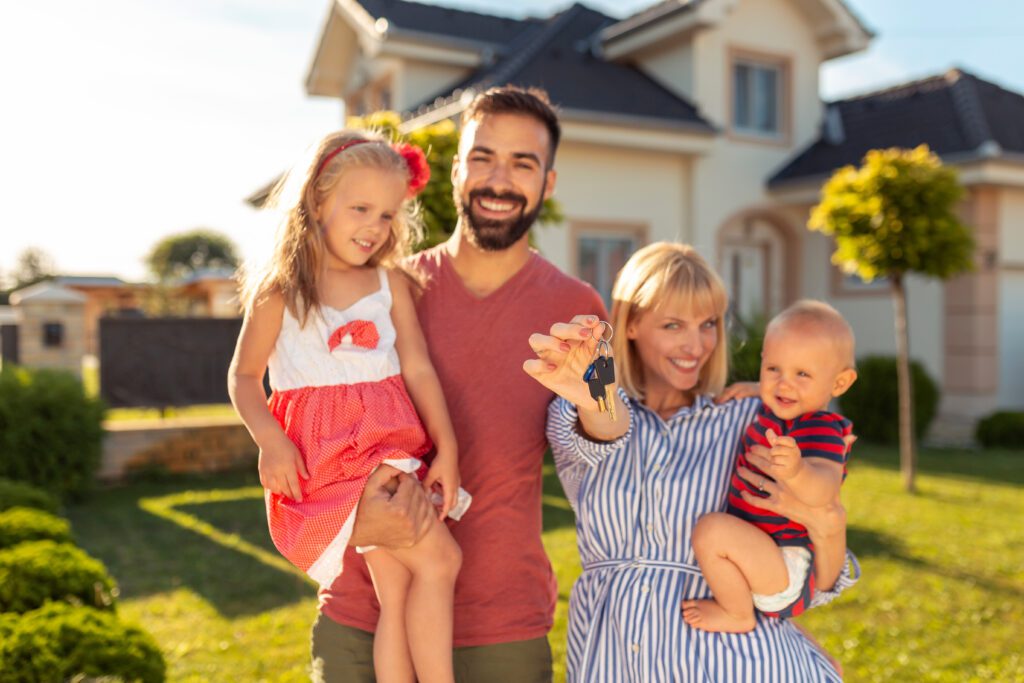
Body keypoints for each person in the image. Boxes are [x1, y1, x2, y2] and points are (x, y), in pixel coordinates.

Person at [310, 87, 607, 682]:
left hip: (501, 628)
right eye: (483, 157)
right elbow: (307, 431)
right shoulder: (379, 292)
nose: (499, 179)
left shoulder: (578, 309)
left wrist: (601, 397)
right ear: (455, 171)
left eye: (523, 163)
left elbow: (604, 447)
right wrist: (342, 520)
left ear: (547, 184)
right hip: (364, 617)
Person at [524, 242, 860, 682]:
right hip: (614, 660)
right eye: (673, 324)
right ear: (631, 325)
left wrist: (829, 526)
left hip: (741, 665)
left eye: (708, 324)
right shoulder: (581, 410)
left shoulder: (751, 418)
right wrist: (598, 388)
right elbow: (607, 422)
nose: (696, 344)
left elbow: (808, 575)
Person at [228, 130, 471, 683]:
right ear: (317, 202)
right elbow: (243, 377)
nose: (374, 227)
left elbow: (418, 368)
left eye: (387, 215)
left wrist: (449, 447)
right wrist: (271, 440)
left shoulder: (389, 283)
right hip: (334, 456)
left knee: (400, 588)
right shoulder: (281, 290)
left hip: (388, 445)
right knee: (443, 561)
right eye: (360, 208)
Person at [682, 300, 857, 633]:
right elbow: (777, 390)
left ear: (839, 384)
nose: (784, 384)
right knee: (713, 533)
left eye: (802, 374)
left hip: (787, 561)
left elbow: (825, 488)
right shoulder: (777, 412)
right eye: (774, 369)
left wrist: (797, 472)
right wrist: (757, 389)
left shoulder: (820, 427)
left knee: (712, 531)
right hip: (764, 553)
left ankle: (737, 615)